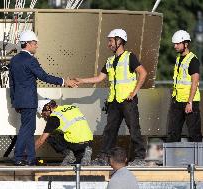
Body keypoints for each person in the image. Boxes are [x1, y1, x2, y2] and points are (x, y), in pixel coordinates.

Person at [75, 29, 147, 166]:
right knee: (110, 130)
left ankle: (139, 158)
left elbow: (143, 73)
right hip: (114, 101)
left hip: (127, 100)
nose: (109, 44)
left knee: (134, 129)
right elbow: (99, 78)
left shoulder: (129, 57)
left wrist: (134, 92)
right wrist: (81, 80)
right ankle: (104, 157)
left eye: (111, 41)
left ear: (119, 41)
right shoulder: (110, 61)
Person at [9, 30, 77, 165]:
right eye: (35, 43)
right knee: (26, 129)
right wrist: (64, 82)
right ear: (28, 43)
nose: (36, 46)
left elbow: (12, 83)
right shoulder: (31, 60)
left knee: (29, 129)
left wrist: (14, 102)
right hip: (29, 101)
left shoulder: (14, 60)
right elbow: (44, 77)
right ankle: (18, 157)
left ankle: (31, 158)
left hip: (20, 101)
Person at [166, 30, 202, 142]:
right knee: (172, 133)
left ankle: (198, 159)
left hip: (189, 102)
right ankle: (173, 159)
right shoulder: (178, 59)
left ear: (185, 44)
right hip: (177, 101)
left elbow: (195, 82)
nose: (175, 46)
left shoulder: (193, 60)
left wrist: (189, 102)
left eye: (177, 44)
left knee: (194, 134)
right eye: (174, 44)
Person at [35, 99, 93, 165]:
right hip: (88, 141)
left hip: (75, 144)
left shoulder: (54, 117)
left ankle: (69, 155)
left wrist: (28, 153)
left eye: (44, 114)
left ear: (47, 108)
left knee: (50, 136)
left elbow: (41, 140)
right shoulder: (71, 107)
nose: (45, 117)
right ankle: (87, 150)